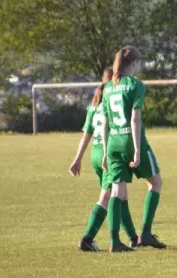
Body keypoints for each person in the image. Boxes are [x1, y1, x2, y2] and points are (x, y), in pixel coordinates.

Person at [100, 46, 166, 252]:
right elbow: (135, 118)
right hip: (131, 139)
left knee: (117, 191)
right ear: (134, 63)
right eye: (140, 63)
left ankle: (114, 241)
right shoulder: (135, 85)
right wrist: (137, 150)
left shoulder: (108, 86)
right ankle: (145, 233)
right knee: (155, 183)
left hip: (113, 143)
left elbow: (104, 122)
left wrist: (104, 151)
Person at [69, 67, 138, 251]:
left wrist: (77, 159)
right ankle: (88, 238)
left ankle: (133, 236)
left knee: (121, 194)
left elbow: (86, 134)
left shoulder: (93, 106)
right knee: (108, 196)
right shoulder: (113, 102)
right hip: (109, 153)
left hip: (95, 154)